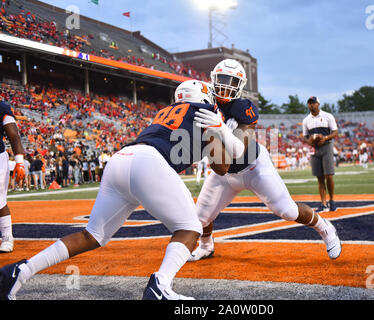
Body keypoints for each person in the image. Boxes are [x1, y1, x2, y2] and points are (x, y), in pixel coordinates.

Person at [0, 79, 233, 300]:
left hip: (121, 158)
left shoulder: (165, 113)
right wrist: (220, 132)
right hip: (149, 163)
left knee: (91, 235)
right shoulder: (206, 113)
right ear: (204, 97)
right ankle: (161, 285)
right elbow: (222, 167)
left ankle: (20, 271)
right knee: (190, 228)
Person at [188, 59, 341, 262]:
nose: (225, 86)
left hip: (254, 167)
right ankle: (206, 246)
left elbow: (238, 149)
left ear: (240, 86)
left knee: (287, 211)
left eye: (231, 81)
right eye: (222, 79)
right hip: (223, 173)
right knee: (200, 219)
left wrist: (220, 127)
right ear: (213, 80)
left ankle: (325, 227)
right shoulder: (204, 104)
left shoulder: (243, 107)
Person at [302, 96, 339, 213]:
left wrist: (325, 137)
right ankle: (323, 203)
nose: (311, 105)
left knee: (329, 175)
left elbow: (335, 132)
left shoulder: (328, 116)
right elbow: (305, 136)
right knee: (319, 177)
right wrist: (310, 142)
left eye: (313, 103)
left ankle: (332, 200)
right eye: (309, 103)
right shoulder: (306, 120)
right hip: (315, 148)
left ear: (318, 104)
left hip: (327, 145)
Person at [0, 101, 26, 253]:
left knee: (0, 200)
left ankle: (7, 236)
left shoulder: (2, 107)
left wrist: (20, 162)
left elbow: (13, 134)